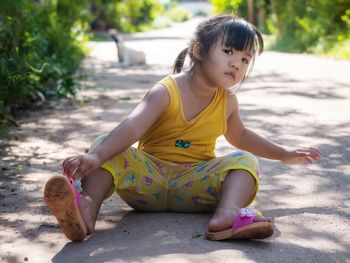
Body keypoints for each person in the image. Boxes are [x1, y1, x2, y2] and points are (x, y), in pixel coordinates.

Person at [44, 14, 321, 242]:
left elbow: (242, 137)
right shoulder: (166, 91)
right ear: (198, 50)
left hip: (195, 187)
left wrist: (284, 154)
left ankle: (227, 215)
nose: (237, 63)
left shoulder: (227, 102)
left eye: (245, 59)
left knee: (245, 161)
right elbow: (132, 127)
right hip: (147, 179)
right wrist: (95, 157)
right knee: (107, 145)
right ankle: (86, 212)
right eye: (228, 52)